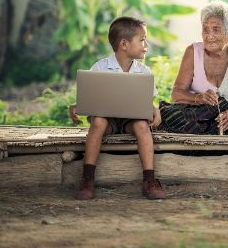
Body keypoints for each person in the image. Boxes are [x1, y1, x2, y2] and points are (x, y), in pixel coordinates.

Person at [69, 16, 165, 200]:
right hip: (108, 122)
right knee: (98, 120)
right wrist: (76, 106)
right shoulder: (100, 67)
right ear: (124, 44)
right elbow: (91, 97)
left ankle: (149, 180)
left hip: (131, 121)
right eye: (142, 39)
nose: (146, 44)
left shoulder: (144, 72)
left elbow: (147, 101)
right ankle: (87, 179)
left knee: (142, 126)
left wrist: (155, 108)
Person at [159, 0, 228, 135]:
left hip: (224, 119)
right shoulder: (193, 51)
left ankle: (202, 135)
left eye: (216, 29)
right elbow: (176, 94)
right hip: (195, 114)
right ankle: (212, 136)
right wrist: (200, 98)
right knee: (171, 114)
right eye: (205, 29)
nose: (209, 36)